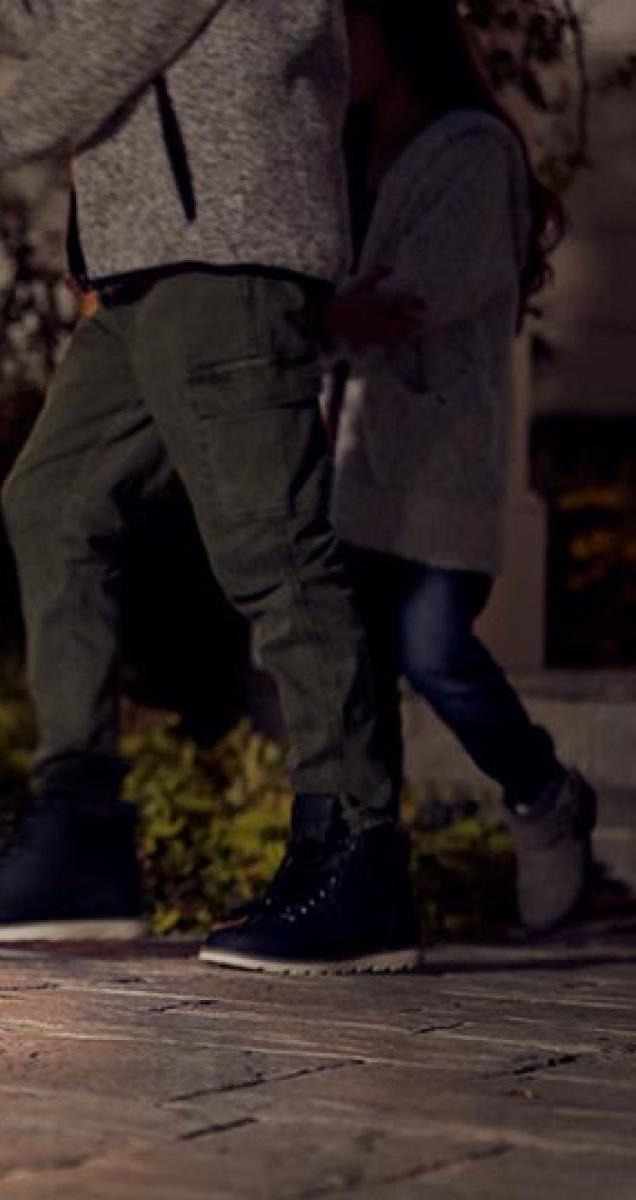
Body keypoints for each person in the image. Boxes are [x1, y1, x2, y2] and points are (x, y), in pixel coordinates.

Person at [0, 0, 421, 974]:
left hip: (223, 251)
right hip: (147, 269)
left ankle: (356, 852)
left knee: (272, 544)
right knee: (53, 502)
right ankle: (78, 835)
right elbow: (54, 18)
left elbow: (118, 25)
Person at [325, 0, 596, 934]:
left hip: (441, 456)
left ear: (398, 33)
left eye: (350, 26)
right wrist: (328, 314)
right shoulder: (342, 149)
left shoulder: (471, 150)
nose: (332, 47)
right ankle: (362, 866)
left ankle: (543, 793)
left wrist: (317, 315)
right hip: (347, 455)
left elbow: (415, 297)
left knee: (434, 648)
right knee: (355, 670)